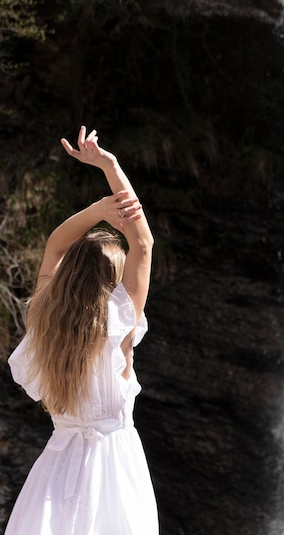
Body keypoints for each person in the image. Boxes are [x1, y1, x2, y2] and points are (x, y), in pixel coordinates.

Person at [5, 126, 158, 535]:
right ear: (114, 282)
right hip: (114, 470)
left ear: (69, 275)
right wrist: (110, 166)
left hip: (56, 468)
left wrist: (96, 211)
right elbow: (142, 242)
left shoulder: (45, 321)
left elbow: (55, 246)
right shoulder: (118, 326)